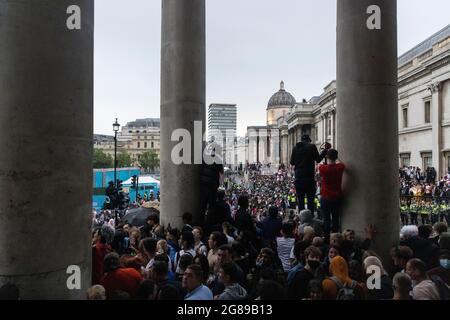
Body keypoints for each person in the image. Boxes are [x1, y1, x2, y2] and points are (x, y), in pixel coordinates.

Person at [290, 134, 327, 215]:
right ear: (308, 140)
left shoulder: (295, 148)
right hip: (309, 178)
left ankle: (302, 219)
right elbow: (318, 159)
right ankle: (311, 218)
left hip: (298, 178)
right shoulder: (312, 147)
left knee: (300, 201)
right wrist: (324, 152)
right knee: (310, 200)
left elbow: (292, 162)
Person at [318, 149, 345, 242]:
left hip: (326, 197)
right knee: (335, 218)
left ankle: (327, 239)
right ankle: (335, 238)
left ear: (327, 157)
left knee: (326, 219)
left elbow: (320, 165)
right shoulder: (340, 167)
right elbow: (341, 163)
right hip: (337, 197)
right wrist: (336, 158)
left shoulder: (323, 168)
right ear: (336, 157)